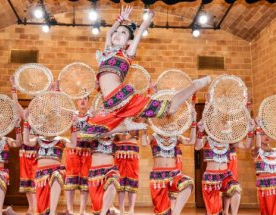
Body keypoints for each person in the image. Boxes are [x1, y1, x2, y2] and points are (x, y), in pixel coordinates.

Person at [80, 6, 210, 135]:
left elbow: (141, 30)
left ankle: (195, 85)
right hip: (110, 105)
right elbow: (109, 33)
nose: (118, 34)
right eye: (117, 32)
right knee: (87, 131)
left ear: (129, 41)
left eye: (123, 33)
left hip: (122, 98)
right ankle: (127, 125)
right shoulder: (106, 52)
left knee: (169, 109)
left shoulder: (127, 54)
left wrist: (149, 17)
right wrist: (120, 19)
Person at [141, 109, 197, 215]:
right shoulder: (153, 137)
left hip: (173, 175)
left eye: (170, 122)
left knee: (188, 183)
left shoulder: (176, 137)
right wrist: (144, 127)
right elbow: (144, 143)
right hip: (158, 177)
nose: (168, 124)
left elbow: (191, 141)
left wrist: (194, 123)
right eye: (165, 122)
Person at [195, 119, 254, 215]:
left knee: (236, 187)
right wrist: (200, 131)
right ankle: (214, 213)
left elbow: (246, 146)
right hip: (210, 178)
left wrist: (250, 131)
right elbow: (197, 146)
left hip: (225, 174)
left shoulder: (228, 141)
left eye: (223, 126)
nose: (221, 128)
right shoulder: (206, 139)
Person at [23, 111, 78, 215]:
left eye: (53, 124)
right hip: (41, 174)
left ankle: (52, 214)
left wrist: (74, 126)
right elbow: (26, 141)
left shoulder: (61, 139)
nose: (51, 126)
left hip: (55, 169)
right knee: (42, 213)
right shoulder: (38, 139)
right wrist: (27, 123)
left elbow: (73, 144)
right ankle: (58, 214)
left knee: (57, 176)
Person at [10, 76, 37, 215]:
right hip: (25, 153)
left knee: (35, 181)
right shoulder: (26, 116)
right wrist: (14, 87)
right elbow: (15, 104)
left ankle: (38, 207)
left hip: (37, 152)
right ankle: (31, 209)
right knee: (26, 180)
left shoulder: (43, 120)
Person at [64, 96, 92, 215]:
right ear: (76, 101)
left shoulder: (92, 116)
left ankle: (82, 210)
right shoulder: (71, 115)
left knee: (85, 180)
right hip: (73, 150)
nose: (82, 101)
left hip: (87, 150)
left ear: (88, 102)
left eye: (85, 99)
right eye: (79, 99)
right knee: (71, 178)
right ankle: (70, 209)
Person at [252, 118, 276, 215]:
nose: (266, 137)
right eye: (263, 134)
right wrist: (258, 127)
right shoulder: (256, 151)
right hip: (266, 184)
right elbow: (258, 145)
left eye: (268, 134)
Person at [88, 135, 120, 215]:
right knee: (98, 206)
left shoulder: (116, 133)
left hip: (110, 168)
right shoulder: (92, 130)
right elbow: (83, 133)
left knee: (113, 182)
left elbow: (128, 132)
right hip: (95, 172)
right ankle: (103, 213)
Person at [114, 130, 140, 215]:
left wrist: (125, 134)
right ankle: (121, 209)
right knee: (120, 180)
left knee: (132, 179)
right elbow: (118, 136)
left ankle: (131, 209)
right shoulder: (118, 120)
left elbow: (134, 133)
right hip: (119, 150)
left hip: (132, 150)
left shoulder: (134, 120)